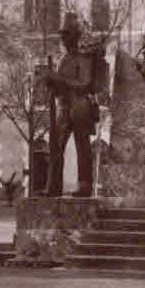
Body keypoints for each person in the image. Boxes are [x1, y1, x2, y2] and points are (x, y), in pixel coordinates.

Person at [44, 12, 107, 197]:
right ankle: (54, 186)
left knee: (82, 147)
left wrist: (59, 79)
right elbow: (59, 89)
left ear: (75, 36)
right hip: (64, 106)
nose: (63, 39)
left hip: (80, 106)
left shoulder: (84, 58)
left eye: (66, 34)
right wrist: (51, 83)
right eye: (62, 35)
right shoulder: (64, 60)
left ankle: (85, 186)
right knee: (56, 147)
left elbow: (84, 83)